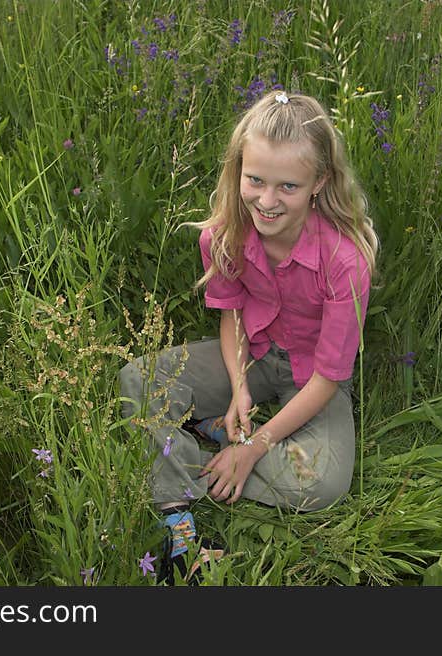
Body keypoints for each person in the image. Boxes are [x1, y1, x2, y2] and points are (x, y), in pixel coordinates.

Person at [118, 90, 379, 584]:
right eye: (255, 180)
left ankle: (195, 453)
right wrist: (239, 387)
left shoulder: (346, 261)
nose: (266, 200)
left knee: (323, 484)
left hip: (312, 383)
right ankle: (180, 513)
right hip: (254, 357)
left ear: (319, 183)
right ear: (239, 168)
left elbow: (328, 376)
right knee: (139, 377)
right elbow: (232, 314)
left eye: (288, 187)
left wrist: (256, 444)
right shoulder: (222, 235)